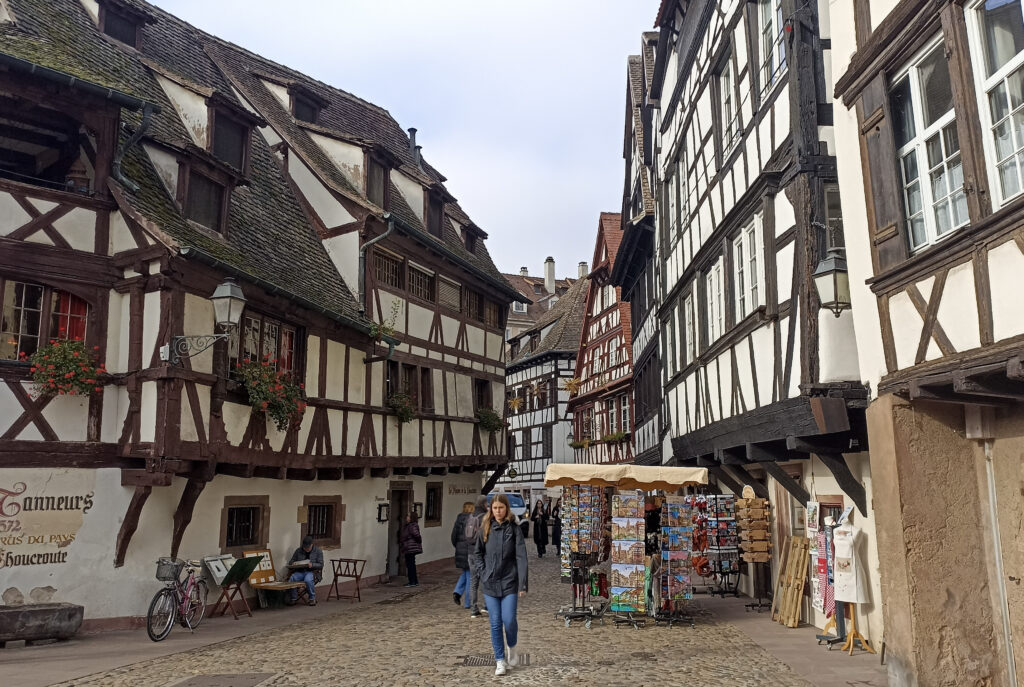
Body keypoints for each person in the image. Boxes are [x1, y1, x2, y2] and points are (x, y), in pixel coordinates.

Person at [474, 493, 528, 676]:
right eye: (495, 508)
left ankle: (512, 647)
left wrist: (523, 584)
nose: (498, 511)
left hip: (509, 581)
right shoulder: (485, 528)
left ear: (506, 509)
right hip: (490, 583)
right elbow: (477, 554)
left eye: (501, 508)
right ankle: (500, 660)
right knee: (495, 623)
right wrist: (483, 572)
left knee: (509, 620)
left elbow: (521, 556)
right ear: (491, 509)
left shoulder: (514, 529)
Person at [466, 496, 488, 617]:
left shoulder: (471, 516)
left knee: (473, 581)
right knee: (485, 579)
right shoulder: (484, 517)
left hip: (470, 552)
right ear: (484, 504)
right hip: (481, 552)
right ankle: (487, 605)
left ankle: (473, 609)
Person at [287, 535, 323, 606]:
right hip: (300, 571)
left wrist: (312, 565)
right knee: (292, 578)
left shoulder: (318, 551)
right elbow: (291, 561)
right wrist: (293, 563)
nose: (306, 549)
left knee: (308, 580)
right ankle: (293, 598)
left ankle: (312, 599)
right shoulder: (298, 550)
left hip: (312, 572)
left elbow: (321, 564)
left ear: (312, 545)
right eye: (304, 547)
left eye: (308, 547)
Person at [452, 501, 474, 606]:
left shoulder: (459, 518)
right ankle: (468, 602)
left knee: (466, 572)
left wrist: (458, 547)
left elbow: (453, 536)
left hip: (460, 549)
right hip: (470, 550)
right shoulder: (473, 519)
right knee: (471, 575)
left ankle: (457, 592)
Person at [398, 511, 423, 587]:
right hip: (409, 547)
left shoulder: (412, 526)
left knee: (410, 565)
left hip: (410, 547)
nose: (407, 517)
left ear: (412, 518)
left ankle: (412, 582)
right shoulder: (410, 525)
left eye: (408, 516)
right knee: (411, 564)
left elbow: (417, 535)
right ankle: (414, 581)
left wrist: (416, 541)